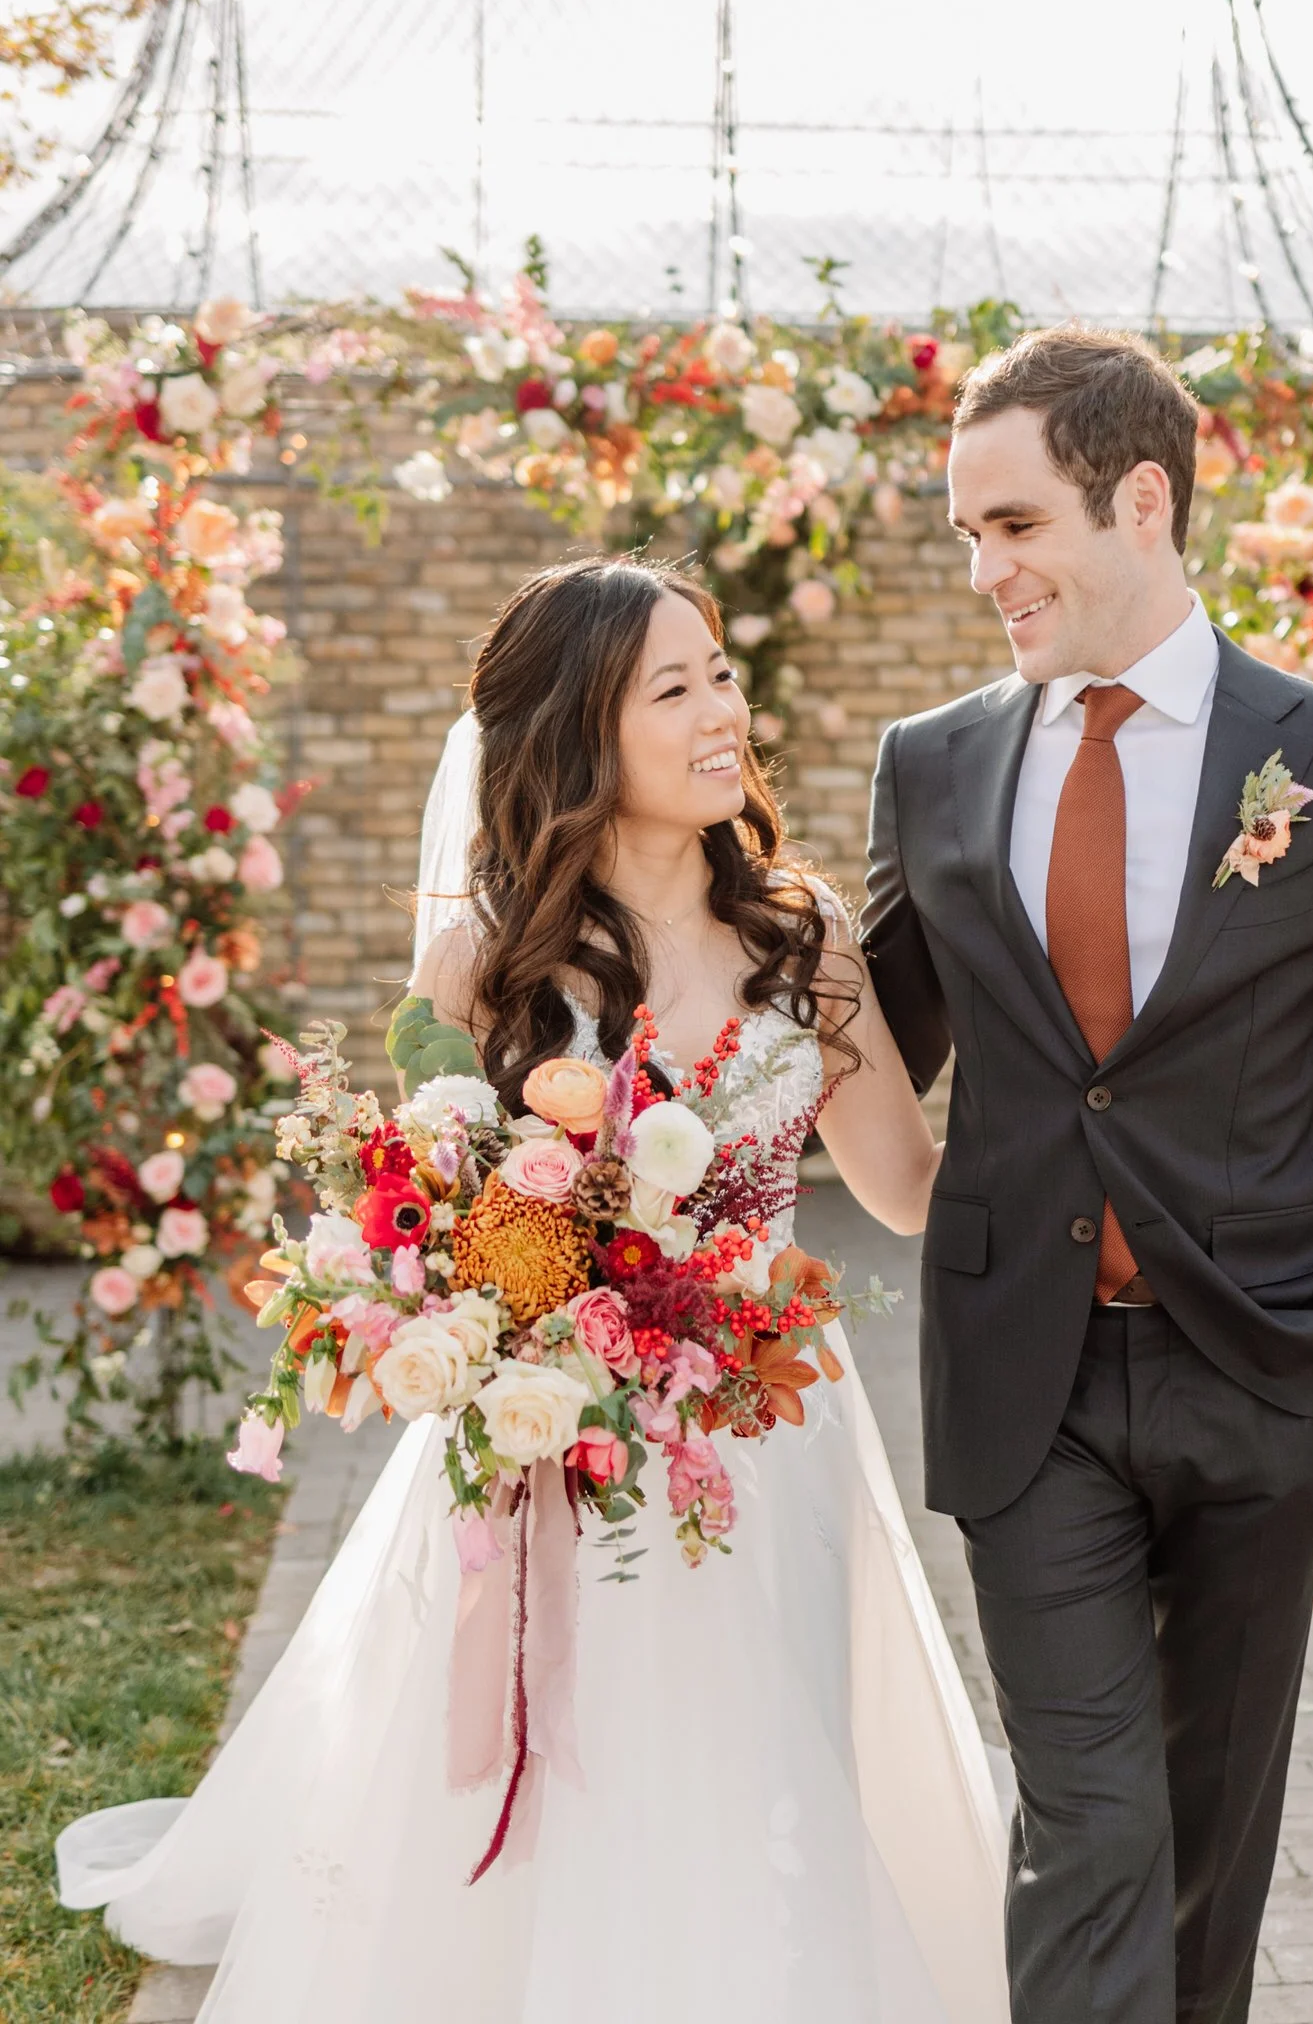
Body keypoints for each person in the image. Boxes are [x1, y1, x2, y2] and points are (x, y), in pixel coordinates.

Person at [58, 555, 1007, 2024]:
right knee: (572, 1773)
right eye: (674, 688)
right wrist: (488, 1329)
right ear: (582, 731)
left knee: (761, 1756)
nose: (722, 716)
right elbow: (436, 1217)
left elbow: (906, 1187)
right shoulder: (490, 967)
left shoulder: (803, 941)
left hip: (772, 1439)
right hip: (554, 1449)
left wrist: (1106, 1158)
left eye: (723, 676)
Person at [861, 325, 1313, 2024]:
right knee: (1092, 1832)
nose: (986, 570)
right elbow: (852, 1035)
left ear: (1140, 499)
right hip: (1028, 1388)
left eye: (1013, 525)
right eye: (967, 535)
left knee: (1212, 1844)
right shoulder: (932, 764)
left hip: (1265, 1375)